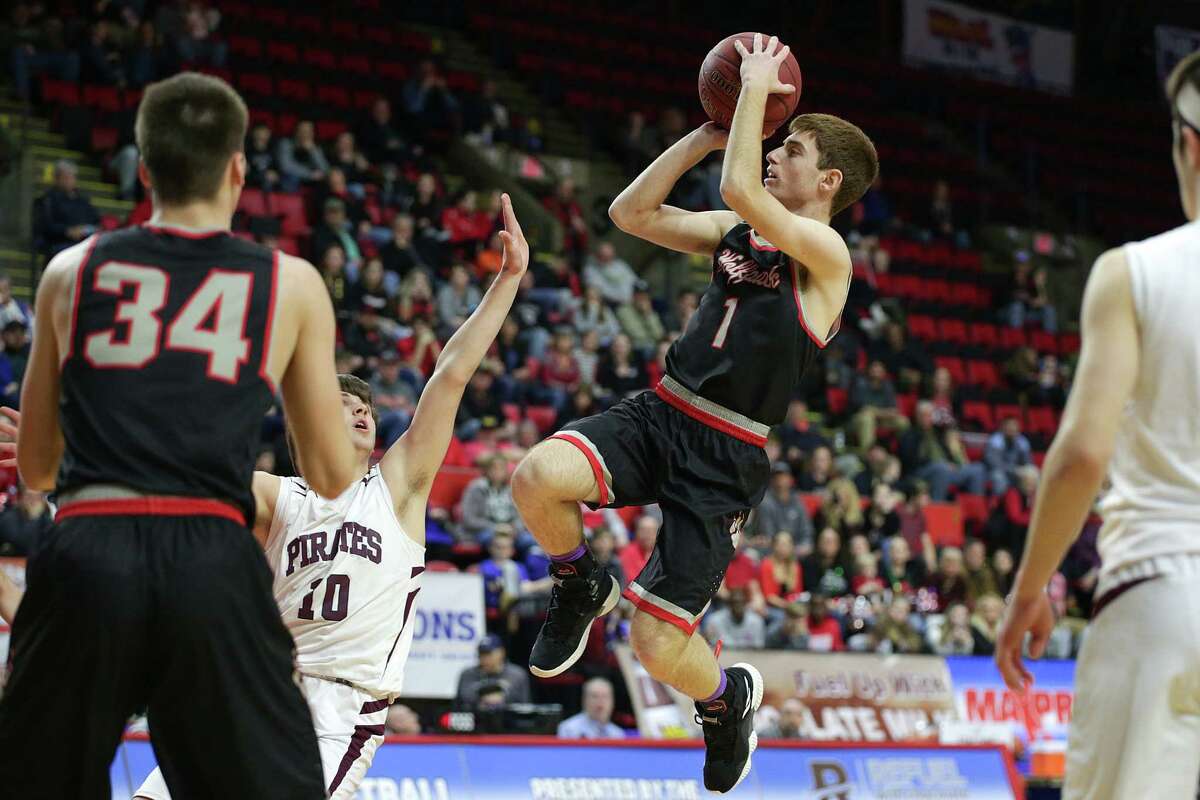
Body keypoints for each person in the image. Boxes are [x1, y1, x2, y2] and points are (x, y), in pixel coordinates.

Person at [510, 34, 875, 793]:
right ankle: (579, 582)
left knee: (653, 644)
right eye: (777, 139)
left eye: (793, 146)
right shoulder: (739, 232)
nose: (775, 150)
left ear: (829, 178)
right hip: (661, 411)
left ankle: (723, 700)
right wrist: (706, 133)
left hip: (726, 454)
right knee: (538, 475)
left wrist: (752, 90)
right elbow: (629, 212)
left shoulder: (828, 257)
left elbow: (744, 189)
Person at [0, 72, 362, 799]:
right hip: (210, 554)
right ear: (237, 169)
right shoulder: (289, 283)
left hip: (89, 544)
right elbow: (330, 476)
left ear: (143, 170)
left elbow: (37, 469)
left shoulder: (70, 272)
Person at [131, 196, 532, 800]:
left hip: (339, 709)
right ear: (308, 428)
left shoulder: (395, 489)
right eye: (344, 408)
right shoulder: (278, 496)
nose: (361, 412)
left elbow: (449, 374)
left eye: (365, 407)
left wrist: (507, 280)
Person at [899, 400, 986, 501]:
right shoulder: (910, 434)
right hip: (921, 471)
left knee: (977, 469)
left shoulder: (938, 432)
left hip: (946, 467)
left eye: (929, 415)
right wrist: (938, 463)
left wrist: (953, 462)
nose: (927, 419)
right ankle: (937, 506)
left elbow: (948, 451)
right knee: (941, 468)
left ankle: (975, 509)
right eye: (924, 415)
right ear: (917, 416)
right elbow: (909, 459)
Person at [747, 462, 814, 556]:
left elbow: (806, 530)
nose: (780, 480)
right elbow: (768, 535)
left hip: (795, 549)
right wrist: (784, 548)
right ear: (772, 480)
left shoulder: (798, 501)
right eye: (777, 477)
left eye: (784, 476)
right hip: (771, 551)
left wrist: (804, 545)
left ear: (790, 479)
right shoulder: (765, 502)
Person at [38, 160, 100, 256]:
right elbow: (46, 227)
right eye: (66, 177)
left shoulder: (82, 201)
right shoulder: (49, 200)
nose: (69, 180)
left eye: (72, 177)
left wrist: (85, 230)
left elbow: (96, 221)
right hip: (60, 243)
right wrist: (67, 231)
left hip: (84, 242)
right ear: (57, 179)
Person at [455, 635, 532, 709]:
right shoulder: (468, 674)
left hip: (508, 720)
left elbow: (524, 705)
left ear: (501, 652)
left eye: (488, 654)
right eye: (481, 654)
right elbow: (462, 700)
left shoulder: (517, 674)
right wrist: (483, 697)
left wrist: (503, 698)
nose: (484, 658)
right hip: (477, 719)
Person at [557, 677, 625, 739]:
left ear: (612, 701)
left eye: (605, 696)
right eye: (595, 696)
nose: (600, 701)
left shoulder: (617, 734)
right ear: (584, 700)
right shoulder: (569, 729)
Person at [701, 587, 766, 649]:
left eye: (741, 602)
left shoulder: (756, 621)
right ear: (729, 604)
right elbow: (714, 646)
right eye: (735, 602)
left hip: (749, 658)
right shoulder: (715, 620)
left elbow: (758, 647)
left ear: (746, 604)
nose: (738, 606)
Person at [984, 416, 1033, 496]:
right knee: (999, 478)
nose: (1012, 429)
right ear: (1003, 428)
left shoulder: (1022, 441)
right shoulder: (995, 440)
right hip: (996, 471)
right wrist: (1014, 471)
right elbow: (995, 464)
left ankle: (1029, 504)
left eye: (1015, 427)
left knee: (1032, 473)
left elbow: (1028, 462)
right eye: (1010, 427)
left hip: (1015, 471)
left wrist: (1025, 472)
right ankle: (996, 504)